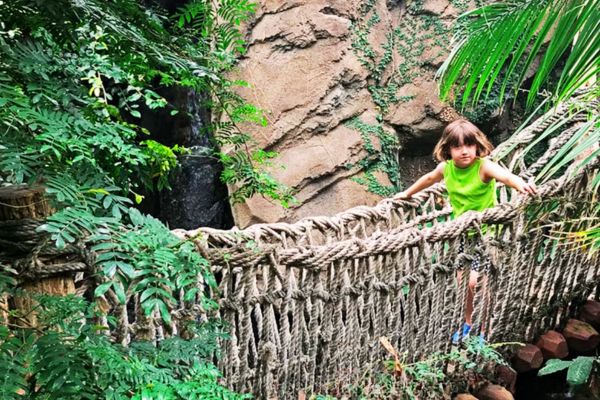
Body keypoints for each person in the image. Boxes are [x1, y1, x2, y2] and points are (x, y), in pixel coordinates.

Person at [396, 119, 537, 344]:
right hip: (463, 234)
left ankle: (484, 327)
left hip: (486, 235)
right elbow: (429, 179)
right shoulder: (447, 168)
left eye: (469, 145)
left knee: (477, 281)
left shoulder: (483, 166)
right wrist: (407, 194)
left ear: (476, 146)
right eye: (458, 147)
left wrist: (521, 185)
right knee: (462, 283)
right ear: (448, 149)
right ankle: (468, 323)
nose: (464, 152)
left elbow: (506, 177)